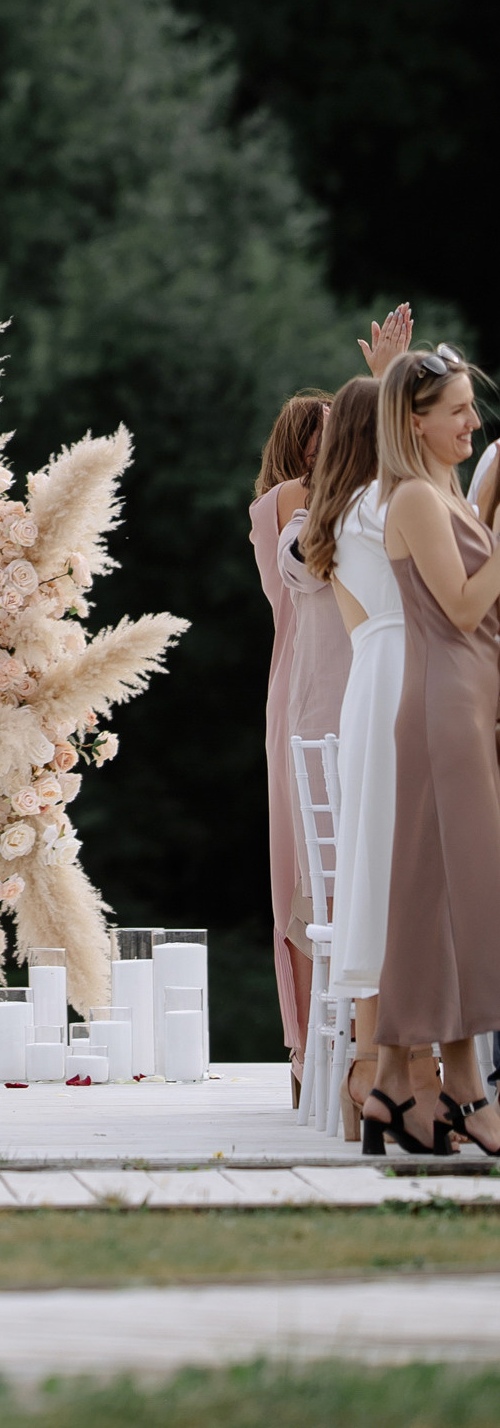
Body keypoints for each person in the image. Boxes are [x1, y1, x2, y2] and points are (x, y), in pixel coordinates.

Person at [368, 348, 500, 1158]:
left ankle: (398, 1079)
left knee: (431, 893)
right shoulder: (415, 497)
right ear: (414, 421)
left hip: (466, 702)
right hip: (444, 704)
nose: (472, 423)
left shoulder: (444, 492)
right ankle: (466, 1089)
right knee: (461, 895)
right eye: (456, 411)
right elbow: (457, 608)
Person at [305, 374, 392, 1134]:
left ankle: (369, 1066)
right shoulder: (383, 509)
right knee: (395, 869)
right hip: (397, 686)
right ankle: (381, 1067)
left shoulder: (333, 514)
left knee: (375, 868)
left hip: (367, 685)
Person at [250, 390, 332, 1071]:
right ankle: (305, 1043)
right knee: (302, 867)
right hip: (303, 688)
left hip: (345, 680)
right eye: (317, 445)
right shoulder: (284, 500)